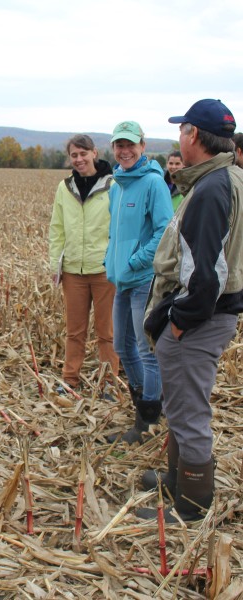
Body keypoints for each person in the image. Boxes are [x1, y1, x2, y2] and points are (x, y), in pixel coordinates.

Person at [137, 99, 243, 522]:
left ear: (193, 135)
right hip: (213, 316)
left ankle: (190, 507)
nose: (179, 136)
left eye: (182, 129)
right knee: (183, 404)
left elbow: (207, 277)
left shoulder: (213, 188)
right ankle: (178, 477)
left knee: (189, 411)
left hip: (201, 320)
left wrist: (179, 324)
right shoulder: (229, 177)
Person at [104, 121, 173, 444]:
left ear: (143, 147)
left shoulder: (153, 183)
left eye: (130, 145)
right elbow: (115, 233)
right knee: (121, 346)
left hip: (143, 279)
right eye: (119, 145)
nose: (125, 151)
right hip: (122, 281)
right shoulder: (117, 185)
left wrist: (135, 260)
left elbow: (163, 231)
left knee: (146, 352)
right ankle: (142, 405)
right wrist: (111, 260)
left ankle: (147, 422)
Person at [48, 134, 119, 391]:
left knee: (107, 333)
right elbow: (57, 228)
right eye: (74, 155)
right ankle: (70, 379)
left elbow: (120, 228)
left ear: (94, 153)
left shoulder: (114, 185)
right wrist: (55, 264)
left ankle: (109, 384)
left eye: (83, 153)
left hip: (103, 271)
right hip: (72, 271)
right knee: (74, 331)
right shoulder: (64, 187)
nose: (79, 159)